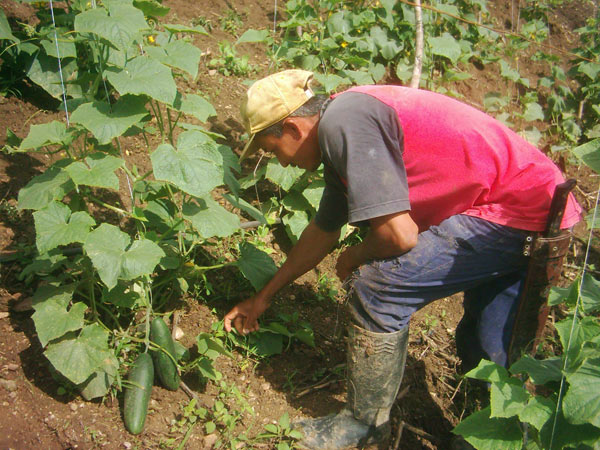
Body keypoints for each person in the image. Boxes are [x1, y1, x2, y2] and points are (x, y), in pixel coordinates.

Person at [223, 69, 581, 449]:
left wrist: (355, 256)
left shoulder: (345, 123)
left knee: (380, 288)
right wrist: (264, 296)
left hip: (514, 209)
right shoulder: (346, 124)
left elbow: (399, 236)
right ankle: (485, 436)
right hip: (539, 206)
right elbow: (323, 231)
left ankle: (363, 426)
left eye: (271, 149)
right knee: (492, 340)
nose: (281, 161)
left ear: (293, 129)